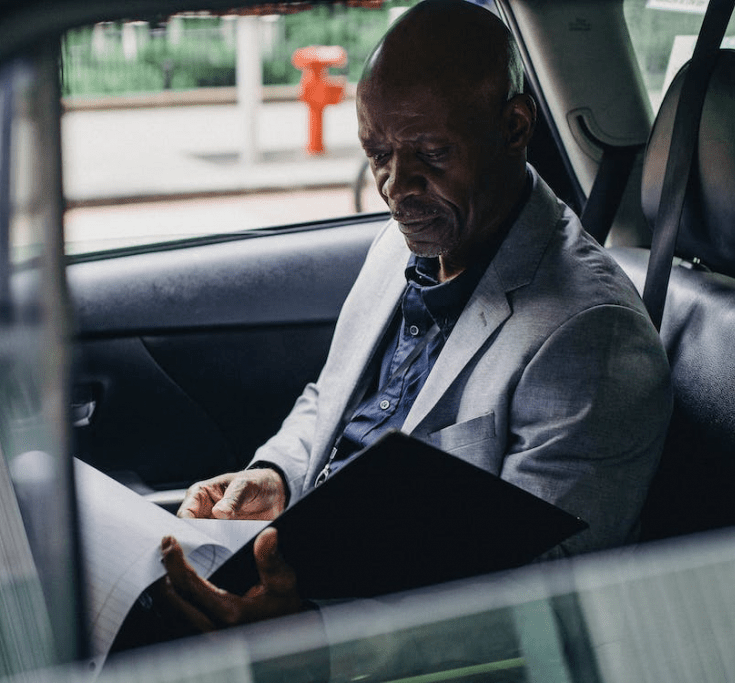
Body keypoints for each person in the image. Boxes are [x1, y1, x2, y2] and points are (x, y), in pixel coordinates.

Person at [157, 0, 672, 634]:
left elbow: (542, 590)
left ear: (514, 128)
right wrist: (278, 478)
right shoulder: (407, 239)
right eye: (378, 154)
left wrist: (310, 632)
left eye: (431, 154)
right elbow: (331, 398)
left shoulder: (592, 336)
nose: (396, 187)